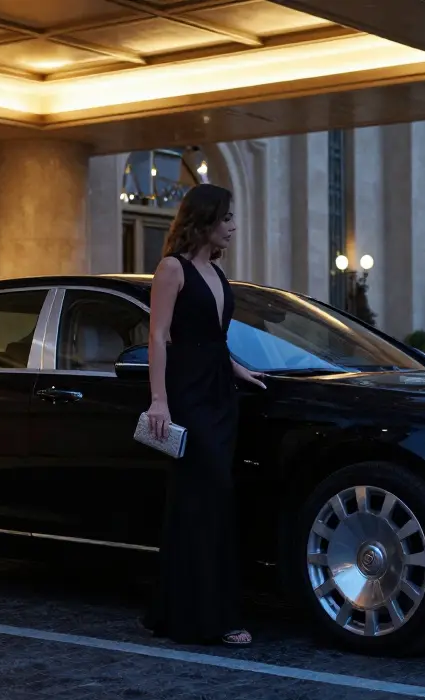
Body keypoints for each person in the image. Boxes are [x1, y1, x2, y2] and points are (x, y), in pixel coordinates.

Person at [140, 183, 267, 647]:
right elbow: (159, 337)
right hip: (187, 394)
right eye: (227, 218)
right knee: (201, 498)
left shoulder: (216, 273)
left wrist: (239, 370)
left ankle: (190, 611)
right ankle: (204, 618)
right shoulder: (171, 269)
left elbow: (215, 339)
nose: (233, 227)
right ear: (206, 219)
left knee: (212, 502)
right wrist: (159, 400)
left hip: (219, 392)